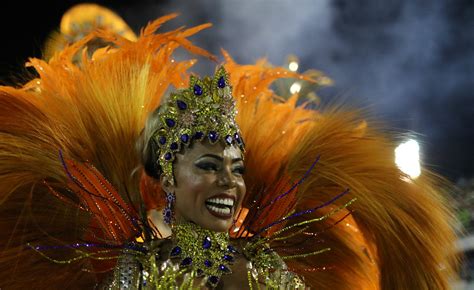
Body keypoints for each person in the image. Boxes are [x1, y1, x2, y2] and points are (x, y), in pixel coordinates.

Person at [0, 3, 460, 289]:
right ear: (162, 180)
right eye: (208, 166)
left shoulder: (263, 262)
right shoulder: (132, 268)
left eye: (237, 168)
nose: (229, 183)